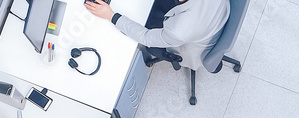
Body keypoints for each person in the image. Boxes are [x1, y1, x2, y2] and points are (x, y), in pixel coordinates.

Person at [86, 0, 230, 71]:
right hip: (218, 13)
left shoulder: (179, 29)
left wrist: (111, 15)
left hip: (190, 45)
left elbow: (146, 37)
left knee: (141, 22)